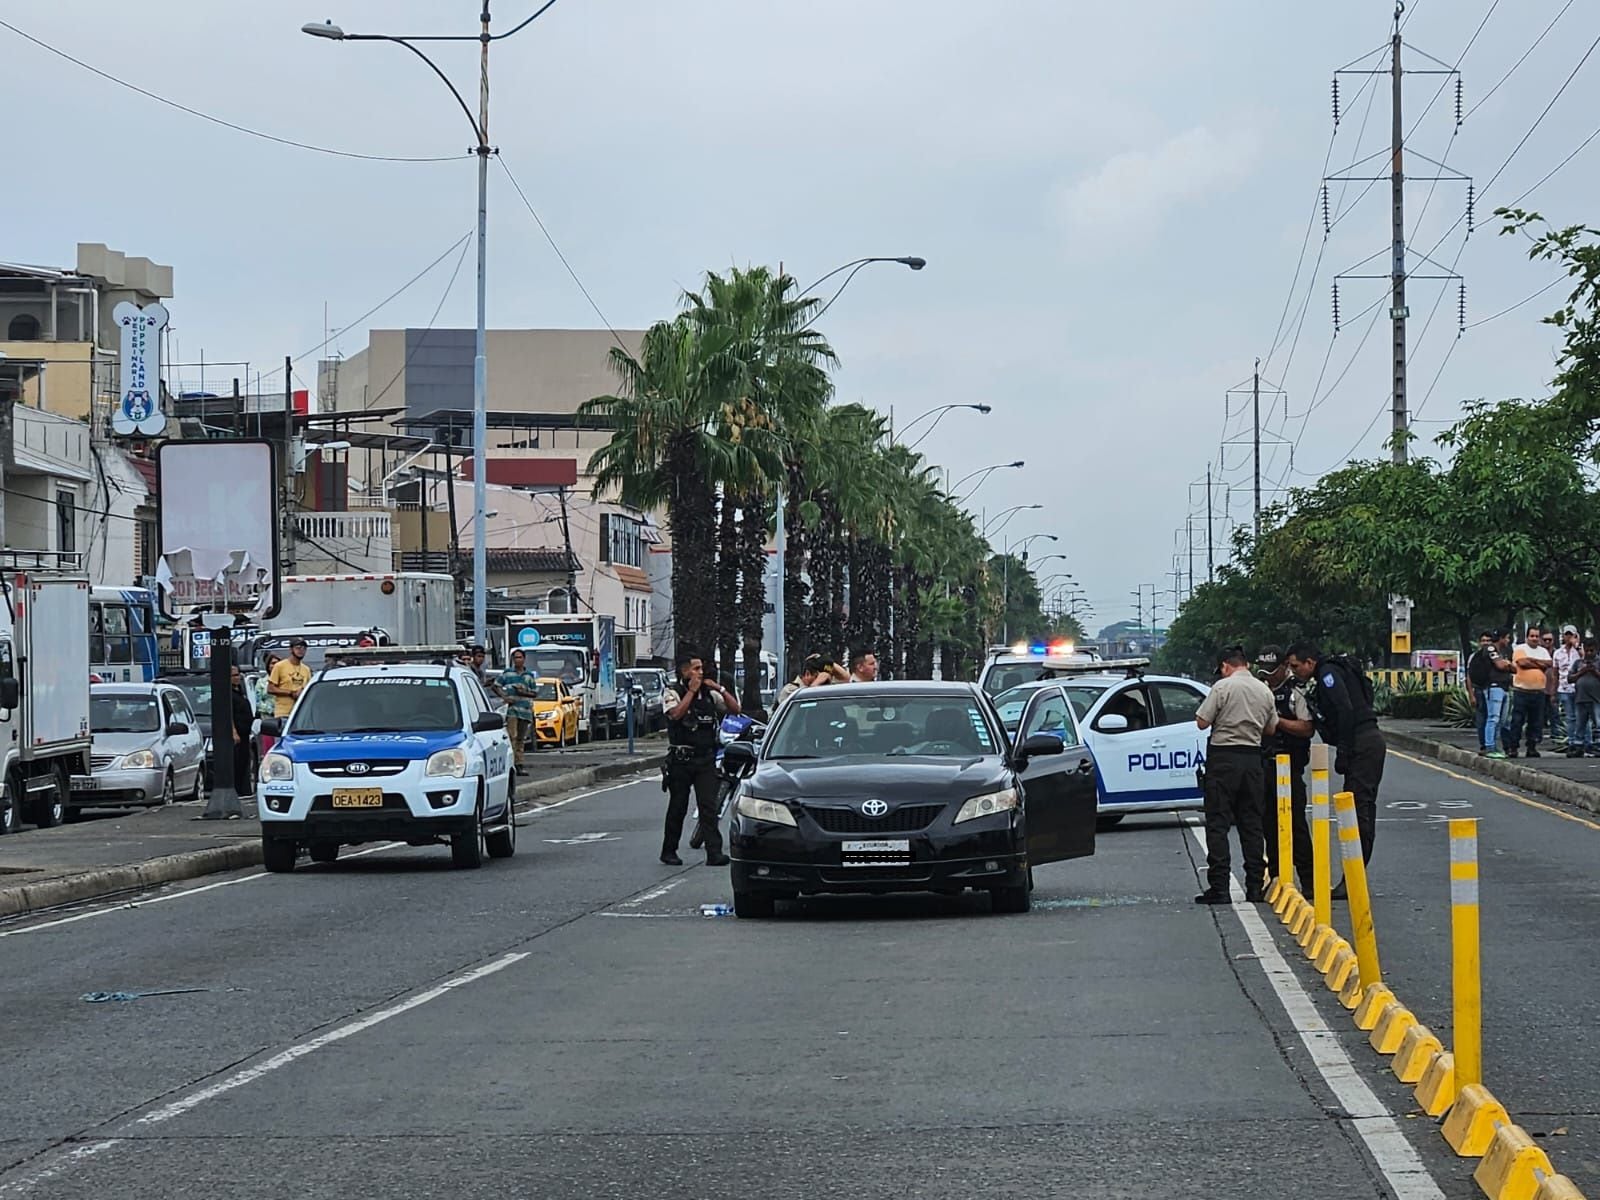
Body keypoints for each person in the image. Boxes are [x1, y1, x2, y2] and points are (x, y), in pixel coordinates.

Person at [1285, 642, 1386, 893]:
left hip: (1363, 742)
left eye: (1296, 666)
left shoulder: (1328, 672)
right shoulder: (1327, 674)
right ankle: (1352, 877)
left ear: (1310, 662)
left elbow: (1345, 708)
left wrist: (1343, 748)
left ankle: (1353, 879)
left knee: (1359, 811)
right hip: (1362, 741)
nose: (1294, 671)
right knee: (1354, 809)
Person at [1193, 646, 1279, 904]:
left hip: (1223, 759)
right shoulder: (1264, 690)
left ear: (1224, 666)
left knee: (1218, 823)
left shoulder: (1222, 687)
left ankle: (1220, 888)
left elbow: (1202, 722)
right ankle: (1255, 886)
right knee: (1252, 824)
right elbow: (1272, 728)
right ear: (1247, 665)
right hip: (1252, 759)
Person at [660, 650, 740, 867]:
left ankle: (714, 853)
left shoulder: (708, 695)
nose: (700, 673)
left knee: (708, 806)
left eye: (701, 669)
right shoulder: (673, 692)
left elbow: (735, 709)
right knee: (678, 806)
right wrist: (691, 692)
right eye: (695, 669)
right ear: (683, 671)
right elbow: (675, 714)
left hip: (705, 759)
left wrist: (720, 689)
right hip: (681, 759)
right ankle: (669, 851)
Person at [1254, 646, 1315, 894]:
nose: (1267, 676)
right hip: (1264, 764)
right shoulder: (1260, 690)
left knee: (1297, 826)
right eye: (1264, 672)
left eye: (1272, 671)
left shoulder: (1295, 691)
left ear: (1284, 667)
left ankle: (1310, 883)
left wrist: (1277, 722)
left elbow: (1306, 728)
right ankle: (1278, 878)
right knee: (1268, 824)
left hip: (1290, 765)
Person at [1504, 624, 1551, 758]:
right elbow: (1522, 663)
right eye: (1532, 636)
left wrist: (1531, 661)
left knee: (1536, 722)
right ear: (1527, 637)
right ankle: (1513, 747)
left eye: (1537, 636)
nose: (1534, 639)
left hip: (1538, 692)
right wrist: (1539, 664)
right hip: (1521, 691)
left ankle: (1532, 747)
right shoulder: (1520, 649)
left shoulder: (1543, 651)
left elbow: (1548, 664)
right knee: (1517, 720)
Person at [496, 649, 538, 771]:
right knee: (512, 736)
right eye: (515, 658)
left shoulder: (529, 676)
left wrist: (523, 692)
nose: (518, 660)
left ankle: (519, 763)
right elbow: (496, 685)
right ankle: (511, 763)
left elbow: (534, 693)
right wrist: (504, 697)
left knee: (521, 738)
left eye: (520, 657)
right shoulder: (508, 673)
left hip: (525, 711)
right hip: (512, 710)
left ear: (524, 659)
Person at [776, 653, 849, 708]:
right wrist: (816, 683)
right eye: (817, 676)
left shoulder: (823, 686)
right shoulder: (791, 690)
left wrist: (829, 664)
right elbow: (805, 707)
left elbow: (846, 679)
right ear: (807, 674)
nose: (824, 682)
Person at [267, 638, 312, 720]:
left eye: (304, 648)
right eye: (298, 648)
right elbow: (270, 688)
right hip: (283, 713)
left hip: (301, 713)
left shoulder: (306, 669)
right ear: (291, 649)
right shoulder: (279, 666)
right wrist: (291, 693)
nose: (301, 650)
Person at [1570, 639, 1600, 757]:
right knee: (1580, 724)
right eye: (1586, 650)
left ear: (1596, 650)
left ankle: (1598, 747)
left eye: (1591, 651)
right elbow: (1570, 678)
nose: (1588, 653)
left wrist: (1595, 672)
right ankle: (1579, 747)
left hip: (1596, 698)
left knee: (1598, 723)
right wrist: (1581, 672)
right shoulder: (1578, 663)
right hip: (1580, 698)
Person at [229, 665, 256, 798]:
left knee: (245, 763)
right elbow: (229, 715)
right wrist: (234, 732)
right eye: (234, 675)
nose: (237, 677)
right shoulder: (228, 695)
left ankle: (244, 790)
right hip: (237, 735)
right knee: (237, 763)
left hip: (246, 733)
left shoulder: (240, 692)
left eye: (237, 674)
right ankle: (237, 790)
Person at [1553, 627, 1581, 748]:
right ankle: (1571, 742)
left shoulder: (1580, 650)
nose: (1569, 637)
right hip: (1564, 688)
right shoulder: (1558, 653)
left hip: (1580, 689)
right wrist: (1554, 692)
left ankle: (1585, 742)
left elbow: (1587, 660)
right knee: (1570, 717)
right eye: (1567, 635)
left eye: (1571, 635)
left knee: (1582, 717)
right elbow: (1555, 673)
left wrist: (1577, 646)